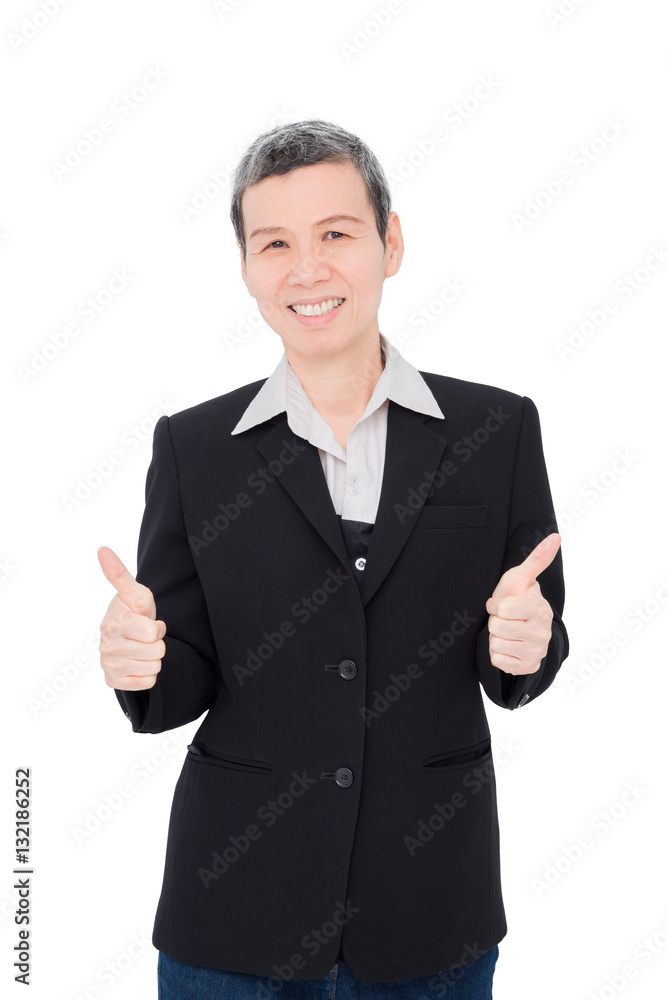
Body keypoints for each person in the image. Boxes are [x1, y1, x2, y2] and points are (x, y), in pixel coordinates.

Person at [98, 119, 568, 999]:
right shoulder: (195, 448)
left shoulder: (497, 432)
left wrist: (526, 646)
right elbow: (181, 679)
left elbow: (530, 648)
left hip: (432, 907)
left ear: (391, 244)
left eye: (336, 235)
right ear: (246, 269)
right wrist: (140, 665)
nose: (306, 270)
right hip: (234, 913)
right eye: (274, 243)